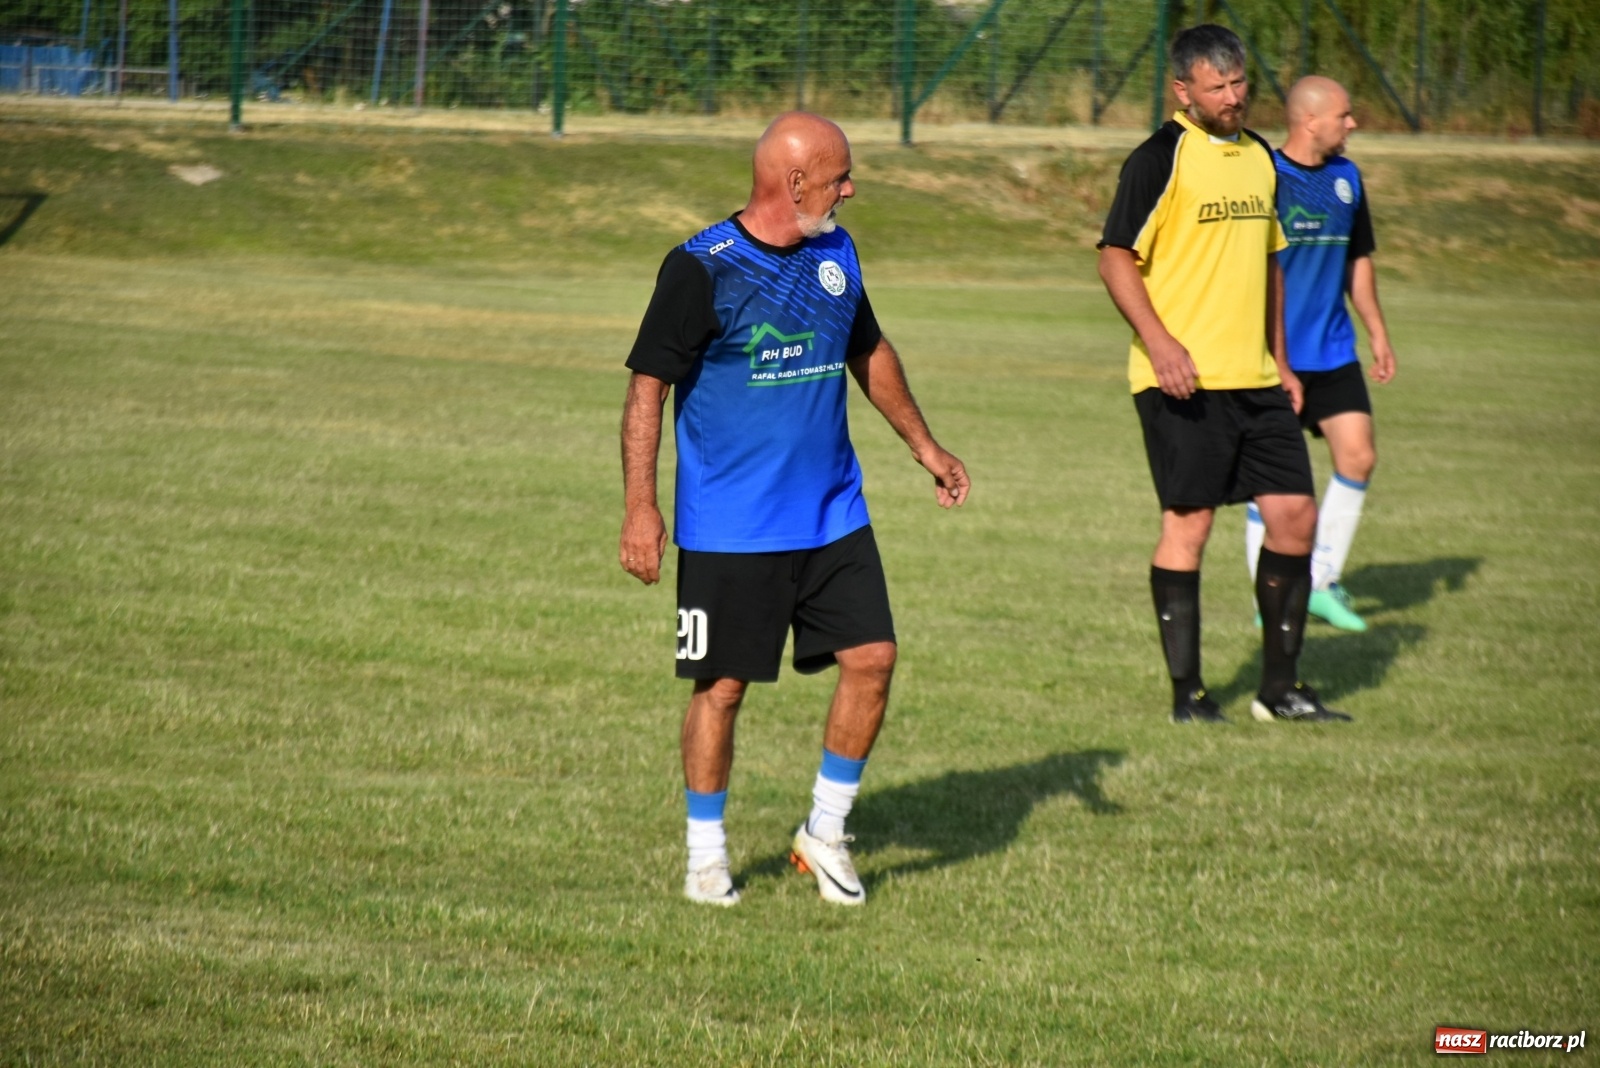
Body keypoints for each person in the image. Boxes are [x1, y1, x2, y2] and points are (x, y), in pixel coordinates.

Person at [619, 112, 971, 907]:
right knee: (723, 688)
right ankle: (705, 854)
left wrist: (926, 446)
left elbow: (867, 350)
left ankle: (825, 830)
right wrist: (641, 508)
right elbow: (647, 388)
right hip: (731, 527)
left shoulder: (835, 252)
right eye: (841, 176)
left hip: (832, 514)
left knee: (874, 658)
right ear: (796, 182)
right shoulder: (700, 268)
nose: (851, 189)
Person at [1095, 24, 1350, 725]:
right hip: (1179, 380)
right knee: (1191, 525)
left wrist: (1285, 363)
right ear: (1184, 90)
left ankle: (1280, 689)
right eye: (1218, 88)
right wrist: (1162, 343)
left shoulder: (1262, 158)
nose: (1234, 98)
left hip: (1257, 377)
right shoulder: (1158, 158)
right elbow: (1115, 256)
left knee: (1296, 516)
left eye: (1240, 84)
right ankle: (1191, 696)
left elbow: (1269, 263)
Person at [1243, 75, 1397, 633]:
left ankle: (1320, 582)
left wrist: (1376, 331)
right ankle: (1271, 600)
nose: (1352, 123)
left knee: (1357, 457)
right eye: (1344, 115)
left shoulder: (1348, 178)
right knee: (1272, 483)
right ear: (1310, 120)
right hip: (1270, 355)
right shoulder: (1266, 177)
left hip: (1332, 351)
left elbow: (1359, 261)